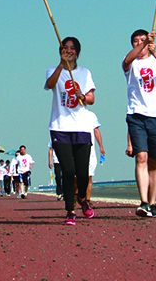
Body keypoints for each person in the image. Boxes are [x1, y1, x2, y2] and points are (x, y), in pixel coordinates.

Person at [45, 36, 97, 225]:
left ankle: (82, 198)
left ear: (78, 52)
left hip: (82, 128)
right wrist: (61, 65)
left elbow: (91, 98)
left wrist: (82, 95)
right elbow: (50, 85)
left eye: (72, 48)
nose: (69, 51)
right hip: (60, 128)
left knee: (82, 172)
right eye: (65, 48)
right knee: (68, 171)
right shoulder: (53, 71)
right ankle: (69, 211)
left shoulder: (85, 73)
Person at [123, 29, 156, 218]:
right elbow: (127, 61)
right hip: (136, 116)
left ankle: (153, 203)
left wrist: (154, 51)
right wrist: (144, 45)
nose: (139, 43)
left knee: (155, 161)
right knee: (141, 157)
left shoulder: (155, 62)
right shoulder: (131, 64)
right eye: (136, 41)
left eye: (142, 40)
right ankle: (143, 202)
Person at [85, 115, 105, 204]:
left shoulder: (91, 115)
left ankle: (87, 200)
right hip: (76, 150)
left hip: (90, 151)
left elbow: (96, 131)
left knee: (89, 176)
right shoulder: (71, 115)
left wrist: (101, 147)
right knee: (77, 177)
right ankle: (76, 195)